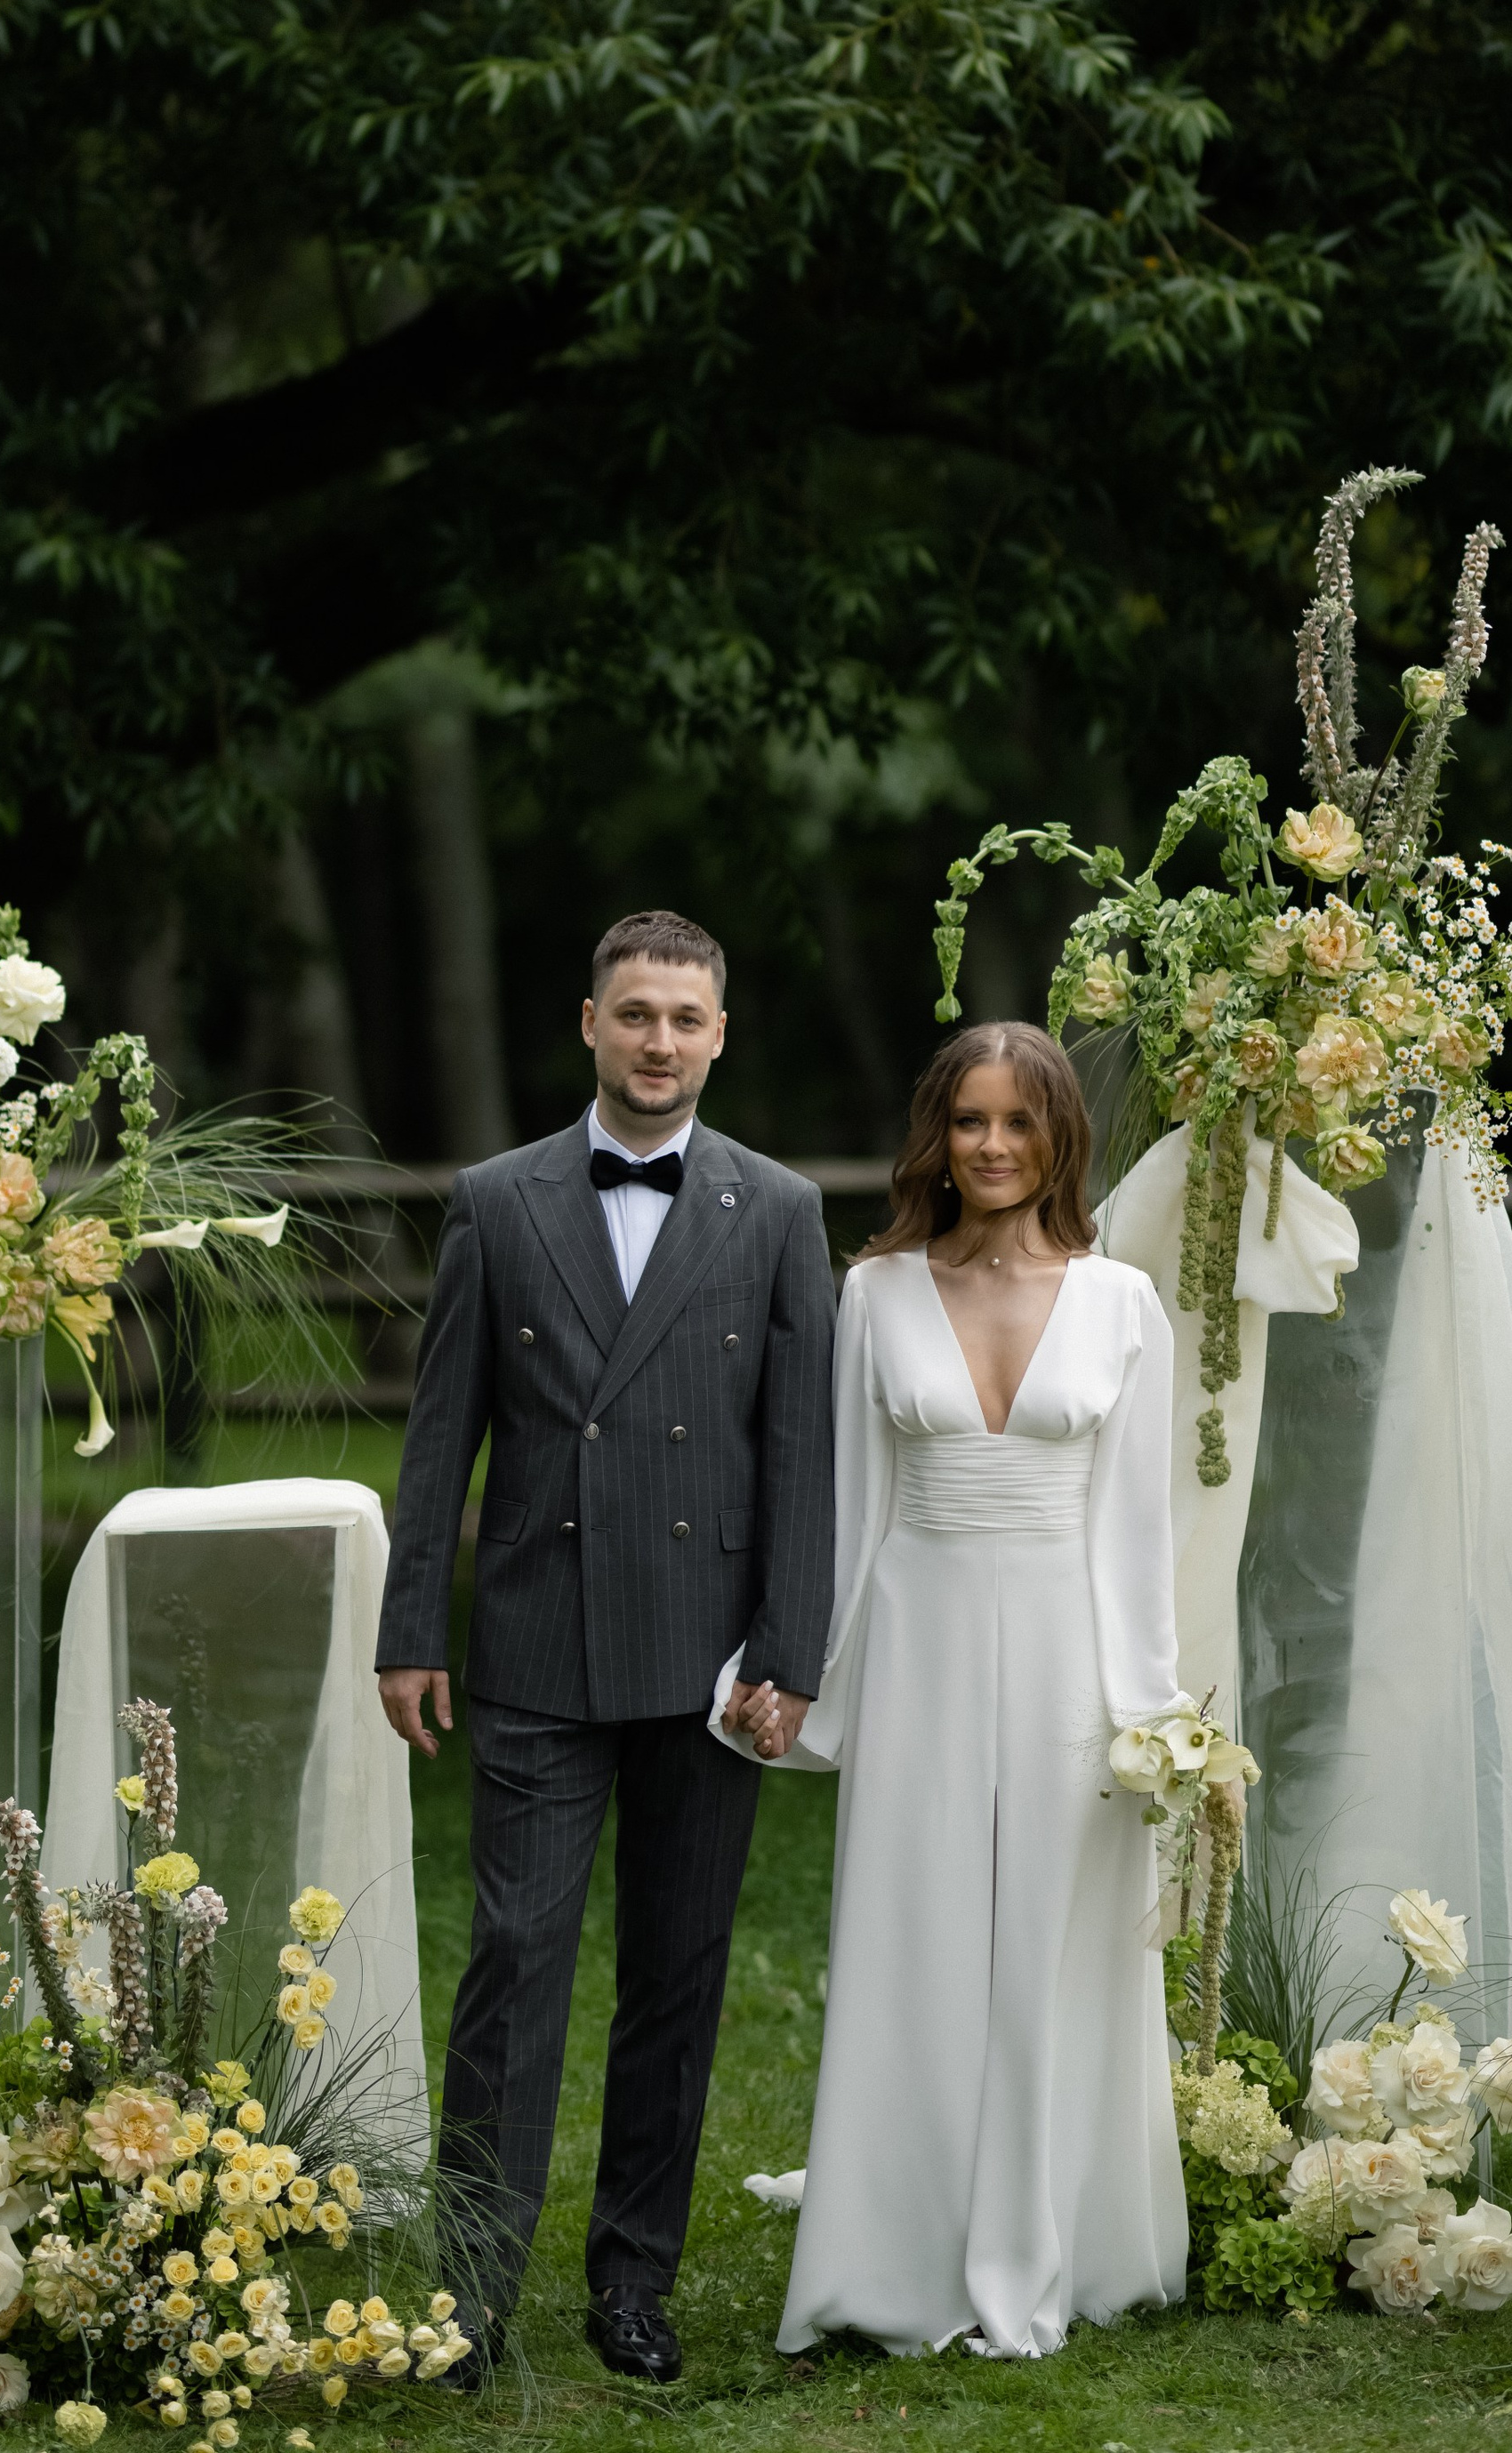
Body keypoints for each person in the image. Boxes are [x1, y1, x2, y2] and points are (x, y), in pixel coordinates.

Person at [375, 909, 837, 2385]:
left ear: (719, 1033)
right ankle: (472, 2294)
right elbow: (441, 1430)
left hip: (709, 1661)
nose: (658, 1041)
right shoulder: (498, 1200)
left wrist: (794, 1643)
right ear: (588, 1023)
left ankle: (633, 2282)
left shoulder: (775, 1209)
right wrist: (408, 1626)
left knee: (679, 1976)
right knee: (512, 1963)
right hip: (534, 1646)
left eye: (684, 1018)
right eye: (634, 1014)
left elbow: (801, 1452)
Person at [728, 1021, 1187, 2359]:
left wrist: (1150, 1717)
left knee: (1055, 1946)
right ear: (938, 1133)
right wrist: (799, 1677)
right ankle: (897, 2242)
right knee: (913, 1932)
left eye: (1020, 1122)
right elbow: (844, 1510)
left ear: (1060, 1138)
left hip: (1065, 1650)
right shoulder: (872, 1293)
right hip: (921, 1639)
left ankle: (1062, 2234)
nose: (992, 1146)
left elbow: (1137, 1527)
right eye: (970, 1120)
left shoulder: (1122, 1303)